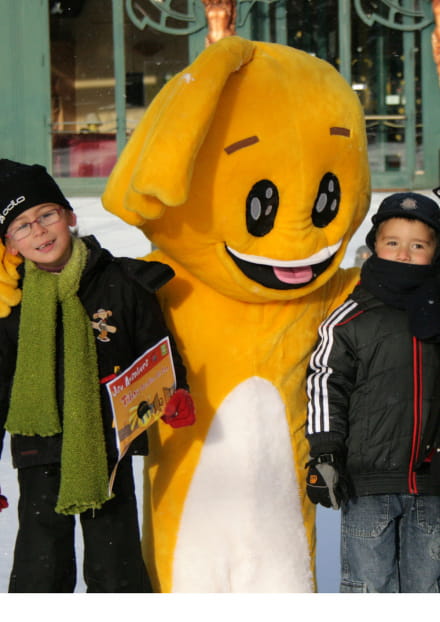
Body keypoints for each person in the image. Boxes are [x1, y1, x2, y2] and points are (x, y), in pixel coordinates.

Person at [0, 159, 195, 593]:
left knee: (115, 558)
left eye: (46, 215)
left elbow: (155, 346)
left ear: (69, 216)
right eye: (22, 226)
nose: (40, 231)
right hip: (39, 447)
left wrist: (176, 389)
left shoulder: (121, 281)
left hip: (108, 443)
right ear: (10, 245)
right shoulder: (10, 305)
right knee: (40, 558)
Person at [305, 191, 440, 593]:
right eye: (392, 242)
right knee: (368, 587)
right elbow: (325, 381)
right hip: (368, 484)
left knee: (427, 588)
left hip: (433, 483)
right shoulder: (352, 317)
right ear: (375, 246)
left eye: (418, 245)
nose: (403, 254)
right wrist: (326, 453)